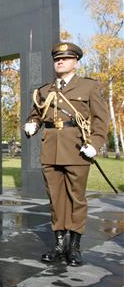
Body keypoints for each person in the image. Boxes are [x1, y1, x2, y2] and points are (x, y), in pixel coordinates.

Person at [24, 42, 109, 266]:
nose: (60, 61)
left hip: (76, 150)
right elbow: (36, 114)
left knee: (76, 199)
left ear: (76, 62)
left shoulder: (88, 87)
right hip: (50, 149)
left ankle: (75, 247)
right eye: (57, 59)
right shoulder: (45, 90)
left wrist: (96, 143)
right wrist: (31, 124)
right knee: (56, 199)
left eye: (66, 58)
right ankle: (60, 245)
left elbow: (102, 120)